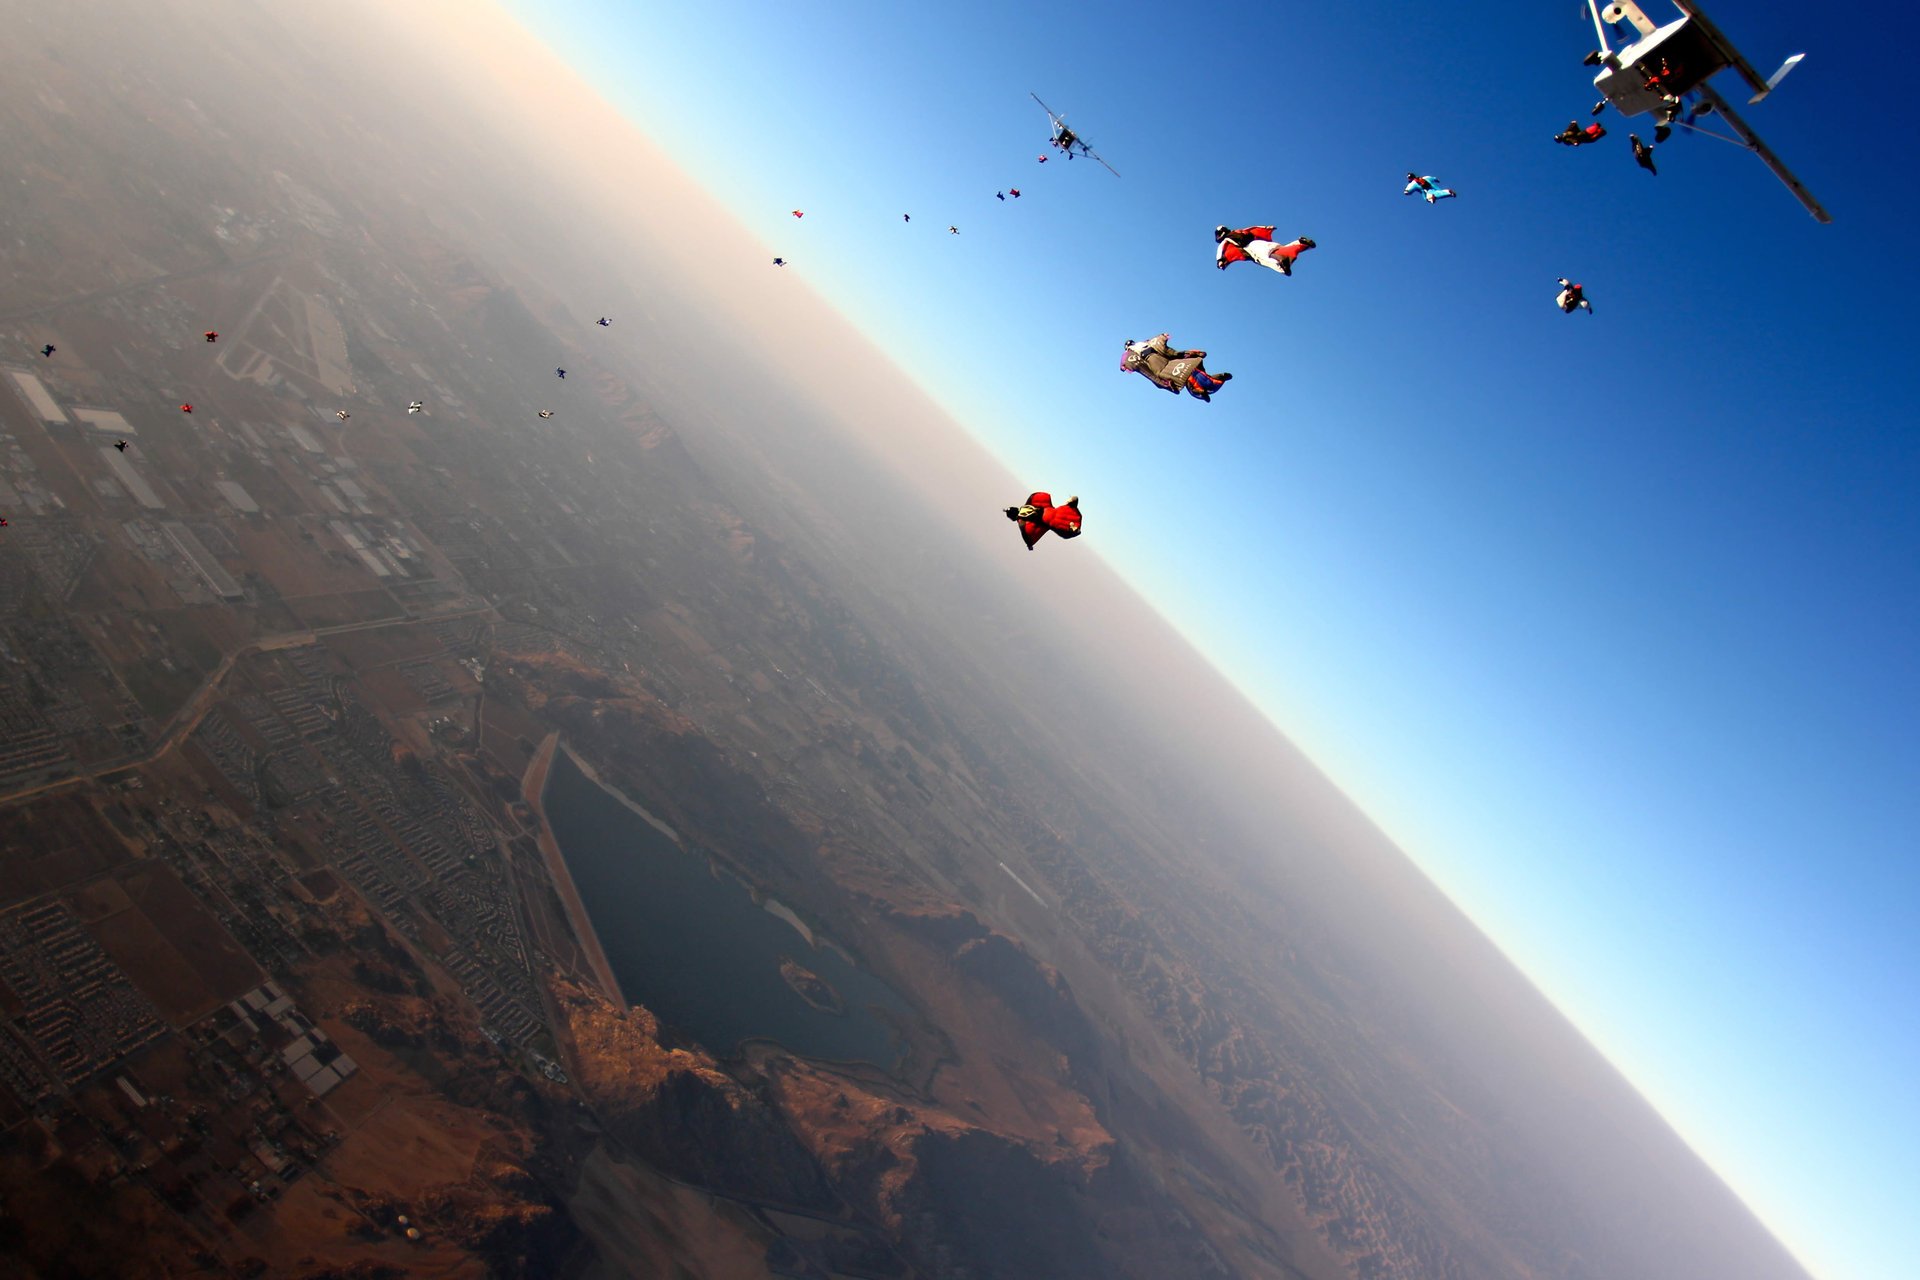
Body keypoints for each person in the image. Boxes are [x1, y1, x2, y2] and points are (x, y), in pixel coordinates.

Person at [1215, 226, 1317, 276]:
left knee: (1265, 260)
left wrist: (1219, 260)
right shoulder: (1239, 230)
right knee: (1281, 250)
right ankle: (1299, 242)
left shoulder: (1227, 239)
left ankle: (1282, 265)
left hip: (1252, 248)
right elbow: (1253, 228)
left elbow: (1221, 248)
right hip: (1263, 243)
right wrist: (1267, 227)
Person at [1004, 492, 1082, 550]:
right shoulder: (1029, 503)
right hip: (1051, 510)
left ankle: (1073, 529)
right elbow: (1037, 496)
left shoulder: (1021, 521)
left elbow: (1026, 535)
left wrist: (1029, 545)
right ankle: (1071, 502)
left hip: (1049, 521)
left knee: (1065, 534)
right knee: (1067, 508)